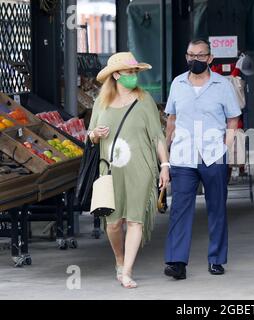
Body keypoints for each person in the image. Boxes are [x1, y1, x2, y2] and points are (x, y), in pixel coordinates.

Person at [89, 52, 170, 289]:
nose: (134, 76)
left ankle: (127, 271)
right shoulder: (100, 102)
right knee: (113, 223)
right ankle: (119, 260)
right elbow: (90, 134)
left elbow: (157, 137)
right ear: (116, 75)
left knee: (135, 220)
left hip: (141, 167)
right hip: (111, 170)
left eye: (136, 72)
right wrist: (95, 135)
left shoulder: (145, 100)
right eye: (129, 72)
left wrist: (164, 166)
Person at [164, 39, 241, 280]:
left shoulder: (222, 85)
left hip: (213, 155)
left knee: (216, 207)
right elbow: (172, 120)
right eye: (190, 55)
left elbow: (233, 120)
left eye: (200, 55)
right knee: (179, 209)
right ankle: (176, 262)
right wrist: (165, 155)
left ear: (209, 58)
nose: (194, 60)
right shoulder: (177, 83)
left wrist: (224, 148)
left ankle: (216, 259)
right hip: (183, 156)